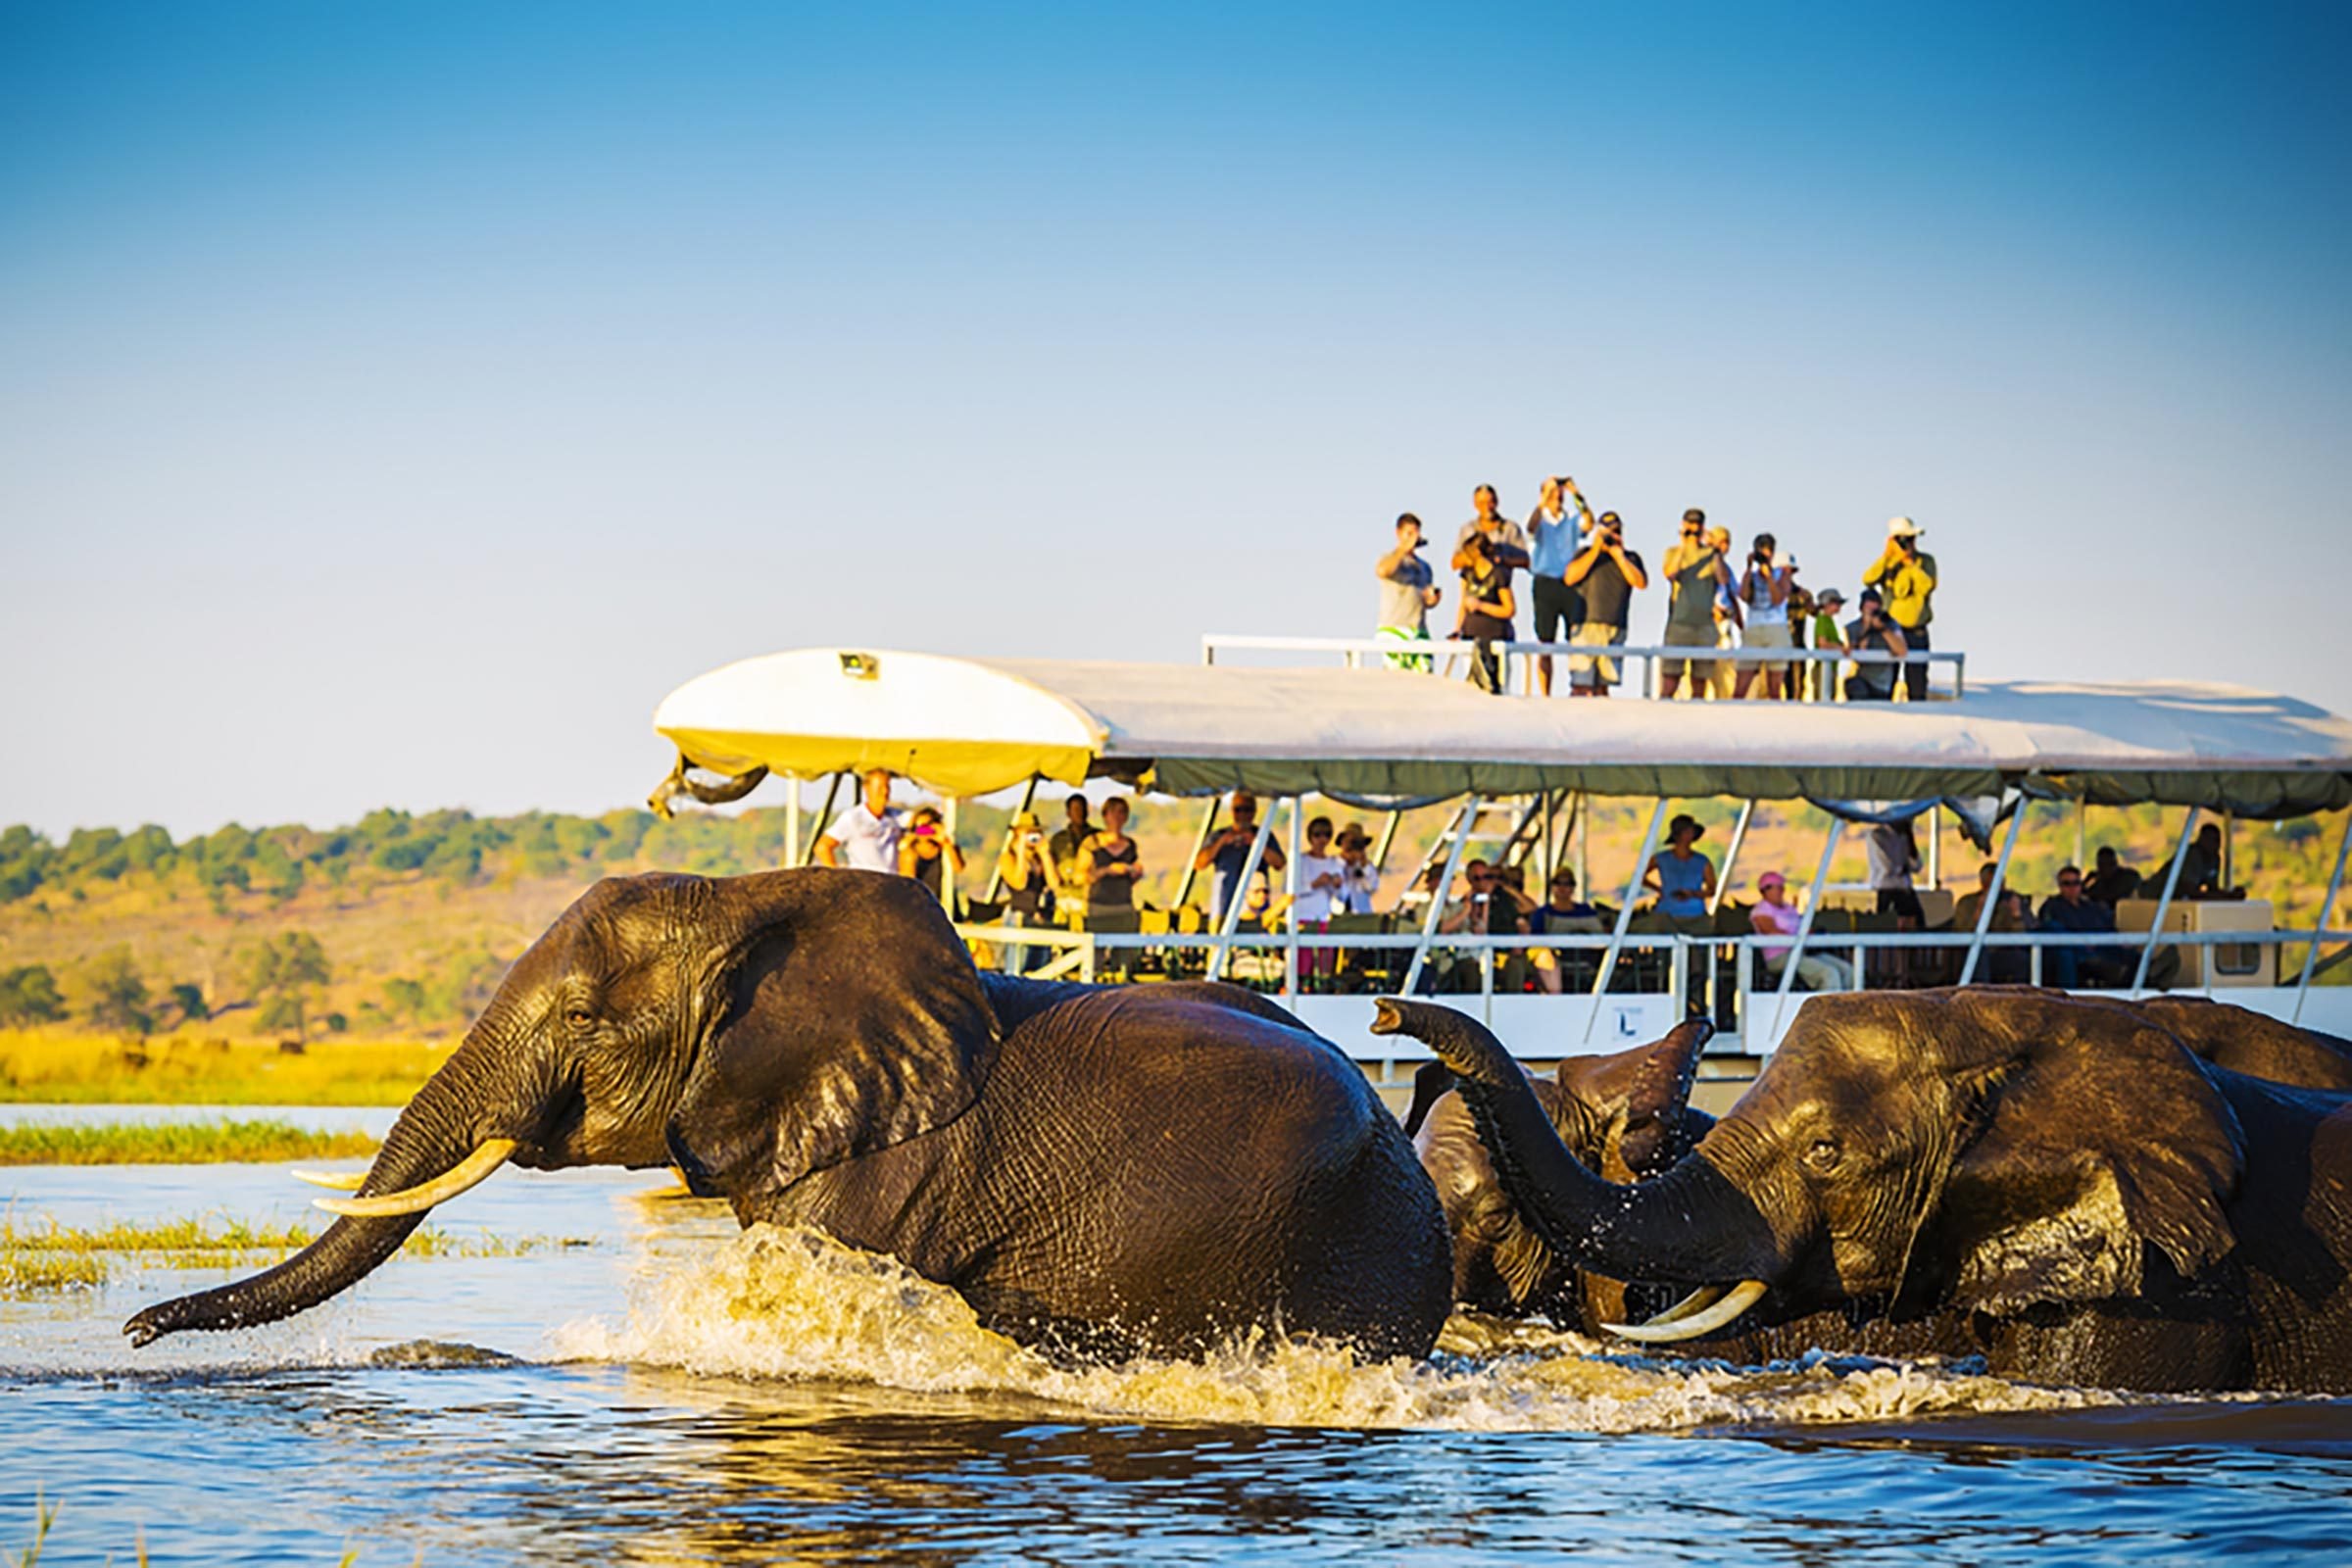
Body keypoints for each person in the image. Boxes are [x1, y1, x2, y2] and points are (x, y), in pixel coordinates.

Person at [1560, 509, 1647, 696]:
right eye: (1607, 532)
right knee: (1580, 685)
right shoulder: (1584, 553)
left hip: (1614, 628)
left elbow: (1640, 583)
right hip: (1585, 627)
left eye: (1615, 531)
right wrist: (1595, 550)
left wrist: (1619, 556)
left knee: (1603, 687)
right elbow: (1569, 578)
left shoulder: (1630, 558)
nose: (1612, 536)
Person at [1525, 475, 1596, 696]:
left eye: (1558, 491)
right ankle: (1545, 692)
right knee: (1545, 641)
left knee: (1575, 637)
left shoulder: (1570, 520)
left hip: (1568, 582)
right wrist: (1543, 499)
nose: (1556, 495)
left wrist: (1576, 494)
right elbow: (1530, 527)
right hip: (1544, 581)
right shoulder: (1539, 519)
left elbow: (1589, 522)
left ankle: (1577, 686)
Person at [1862, 516, 1938, 701]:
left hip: (1917, 631)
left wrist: (1910, 564)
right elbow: (1868, 579)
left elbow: (1927, 586)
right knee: (1886, 681)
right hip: (1891, 631)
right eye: (1903, 540)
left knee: (1917, 681)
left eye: (1911, 539)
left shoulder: (1925, 561)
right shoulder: (1888, 563)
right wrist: (1887, 556)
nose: (1908, 544)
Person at [1660, 510, 1732, 699]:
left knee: (1700, 681)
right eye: (1690, 524)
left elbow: (1723, 579)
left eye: (1697, 524)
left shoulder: (1711, 554)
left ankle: (1695, 722)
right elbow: (1669, 573)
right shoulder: (1673, 552)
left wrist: (1715, 551)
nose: (1693, 528)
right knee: (1670, 679)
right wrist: (1684, 545)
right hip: (1679, 623)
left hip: (1704, 625)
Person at [1750, 870, 1855, 992]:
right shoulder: (1761, 910)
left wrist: (1812, 934)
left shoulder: (1789, 908)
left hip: (1803, 952)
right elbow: (1770, 930)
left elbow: (1801, 927)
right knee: (1829, 973)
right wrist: (1797, 937)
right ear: (1765, 890)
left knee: (1848, 971)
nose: (1782, 890)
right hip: (1780, 956)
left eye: (1782, 887)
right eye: (1778, 887)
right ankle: (1827, 1008)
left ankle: (1847, 1005)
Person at [1196, 790, 1286, 925]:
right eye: (1238, 810)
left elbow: (1280, 864)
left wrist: (1257, 844)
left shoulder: (1264, 835)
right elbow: (1199, 864)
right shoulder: (1218, 835)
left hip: (1256, 912)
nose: (1243, 815)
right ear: (1231, 811)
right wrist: (1222, 842)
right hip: (1224, 907)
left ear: (1254, 811)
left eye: (1247, 810)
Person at [995, 808, 1060, 975]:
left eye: (1035, 833)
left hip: (1039, 916)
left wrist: (1045, 855)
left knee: (1040, 967)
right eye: (1028, 833)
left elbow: (1054, 883)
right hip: (1018, 915)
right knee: (1017, 966)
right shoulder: (1007, 857)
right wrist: (1021, 852)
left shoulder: (1039, 857)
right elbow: (1019, 883)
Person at [1375, 513, 1443, 669]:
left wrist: (1432, 600)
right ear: (1398, 533)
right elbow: (1382, 571)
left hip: (1419, 629)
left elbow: (1425, 599)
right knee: (1396, 679)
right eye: (1409, 533)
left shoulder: (1425, 567)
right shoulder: (1391, 559)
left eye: (1416, 533)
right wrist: (1402, 549)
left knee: (1425, 675)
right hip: (1394, 629)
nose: (1414, 537)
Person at [2037, 864, 2122, 989]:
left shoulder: (2092, 907)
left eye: (2076, 883)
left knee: (2131, 954)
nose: (2072, 887)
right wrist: (2082, 944)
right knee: (2063, 950)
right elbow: (2050, 929)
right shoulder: (2052, 906)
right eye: (2067, 883)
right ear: (2060, 886)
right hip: (2071, 953)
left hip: (2099, 948)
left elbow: (2105, 926)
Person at [1455, 531, 1517, 695]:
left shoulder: (1499, 575)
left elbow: (1509, 609)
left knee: (1499, 689)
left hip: (1496, 637)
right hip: (1471, 635)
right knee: (1472, 689)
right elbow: (1462, 603)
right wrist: (1457, 629)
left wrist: (1481, 606)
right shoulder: (1467, 574)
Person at [1733, 532, 1793, 699]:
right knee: (1741, 685)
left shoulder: (1782, 574)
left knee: (1774, 687)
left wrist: (1769, 578)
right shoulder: (1751, 576)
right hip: (1753, 628)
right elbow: (1744, 596)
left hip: (1776, 628)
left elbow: (1778, 599)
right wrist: (1748, 568)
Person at [1953, 860, 2033, 984]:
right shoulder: (1967, 903)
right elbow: (1962, 933)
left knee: (2022, 959)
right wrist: (1979, 911)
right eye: (1991, 884)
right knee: (1980, 955)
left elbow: (2020, 936)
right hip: (1973, 953)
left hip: (2002, 952)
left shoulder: (2011, 901)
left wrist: (2016, 914)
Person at [1529, 867, 1602, 995]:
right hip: (1556, 961)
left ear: (1573, 888)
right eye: (1558, 883)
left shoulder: (1585, 911)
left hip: (1587, 960)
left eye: (1567, 884)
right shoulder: (1543, 913)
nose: (1562, 888)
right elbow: (1535, 940)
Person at [816, 768, 903, 872]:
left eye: (887, 786)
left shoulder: (897, 817)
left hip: (891, 880)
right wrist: (836, 877)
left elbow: (923, 827)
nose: (885, 792)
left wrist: (922, 832)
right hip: (864, 880)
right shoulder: (853, 817)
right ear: (866, 788)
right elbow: (822, 847)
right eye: (879, 788)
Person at [1643, 814, 1716, 919]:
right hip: (1666, 915)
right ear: (1678, 835)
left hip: (1695, 916)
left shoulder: (1702, 861)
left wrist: (1692, 894)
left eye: (1691, 831)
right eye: (1687, 831)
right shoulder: (1660, 858)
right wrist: (1660, 890)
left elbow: (1712, 889)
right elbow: (1640, 877)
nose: (1691, 834)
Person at [1843, 588, 1910, 702]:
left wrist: (1883, 629)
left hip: (1883, 684)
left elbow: (1901, 651)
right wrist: (1867, 628)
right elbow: (1859, 655)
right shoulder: (1853, 628)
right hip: (1861, 679)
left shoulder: (1891, 624)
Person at [1083, 796, 1146, 914]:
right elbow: (1078, 877)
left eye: (1121, 812)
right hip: (1098, 906)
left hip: (1124, 906)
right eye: (1113, 812)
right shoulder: (1092, 843)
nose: (1117, 817)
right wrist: (1107, 871)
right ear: (1105, 815)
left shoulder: (1130, 845)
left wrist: (1135, 873)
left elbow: (1132, 878)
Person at [898, 805, 966, 907]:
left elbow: (958, 867)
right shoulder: (910, 852)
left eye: (928, 826)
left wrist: (945, 842)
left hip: (945, 904)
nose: (924, 831)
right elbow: (908, 883)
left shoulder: (944, 848)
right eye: (920, 827)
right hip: (921, 905)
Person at [1450, 483, 1530, 573]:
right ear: (1475, 504)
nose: (1487, 507)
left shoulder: (1510, 528)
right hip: (1473, 584)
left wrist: (1503, 560)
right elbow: (1454, 563)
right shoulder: (1467, 529)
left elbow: (1526, 561)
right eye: (1482, 503)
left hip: (1499, 582)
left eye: (1490, 502)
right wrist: (1472, 556)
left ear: (1497, 502)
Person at [1866, 820, 1925, 922]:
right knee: (1887, 925)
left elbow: (1917, 866)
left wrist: (1910, 839)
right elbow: (1887, 866)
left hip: (1905, 889)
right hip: (1888, 890)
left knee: (1919, 924)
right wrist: (1904, 868)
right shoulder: (1877, 835)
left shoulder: (1904, 836)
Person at [1049, 795, 1096, 894]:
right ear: (1068, 813)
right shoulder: (1057, 840)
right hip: (1065, 893)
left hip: (1092, 892)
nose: (1080, 813)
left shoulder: (1097, 837)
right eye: (1076, 809)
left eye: (1083, 809)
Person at [1808, 587, 1848, 701]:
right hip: (1822, 668)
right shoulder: (1822, 619)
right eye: (1835, 603)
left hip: (1832, 668)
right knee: (1823, 700)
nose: (1838, 607)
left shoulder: (1829, 620)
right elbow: (1823, 643)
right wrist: (1841, 648)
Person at [1332, 823, 1382, 913]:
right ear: (1342, 843)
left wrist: (1364, 865)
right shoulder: (1333, 864)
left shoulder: (1366, 866)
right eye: (1350, 843)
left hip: (1363, 917)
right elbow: (1337, 892)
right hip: (1338, 918)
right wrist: (1344, 860)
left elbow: (1372, 887)